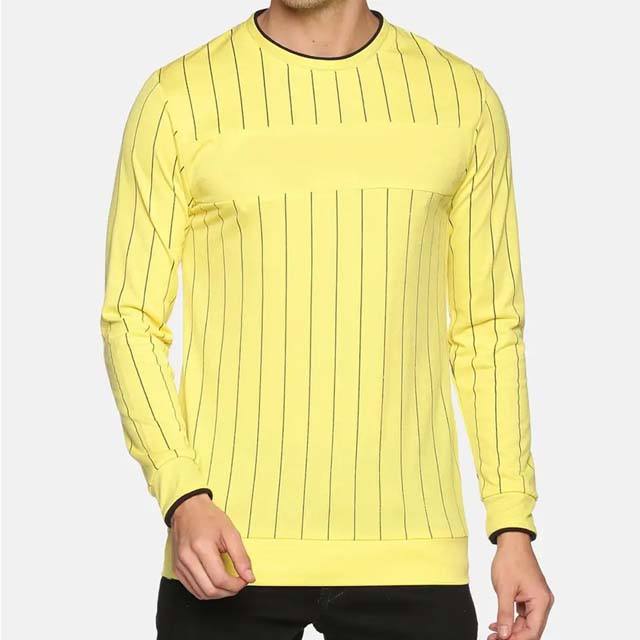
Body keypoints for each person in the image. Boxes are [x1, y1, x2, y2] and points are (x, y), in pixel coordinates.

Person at [100, 1, 554, 638]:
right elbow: (130, 318)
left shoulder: (461, 99)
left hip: (413, 550)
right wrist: (182, 496)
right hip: (223, 542)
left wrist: (512, 525)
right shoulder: (178, 98)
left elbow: (489, 328)